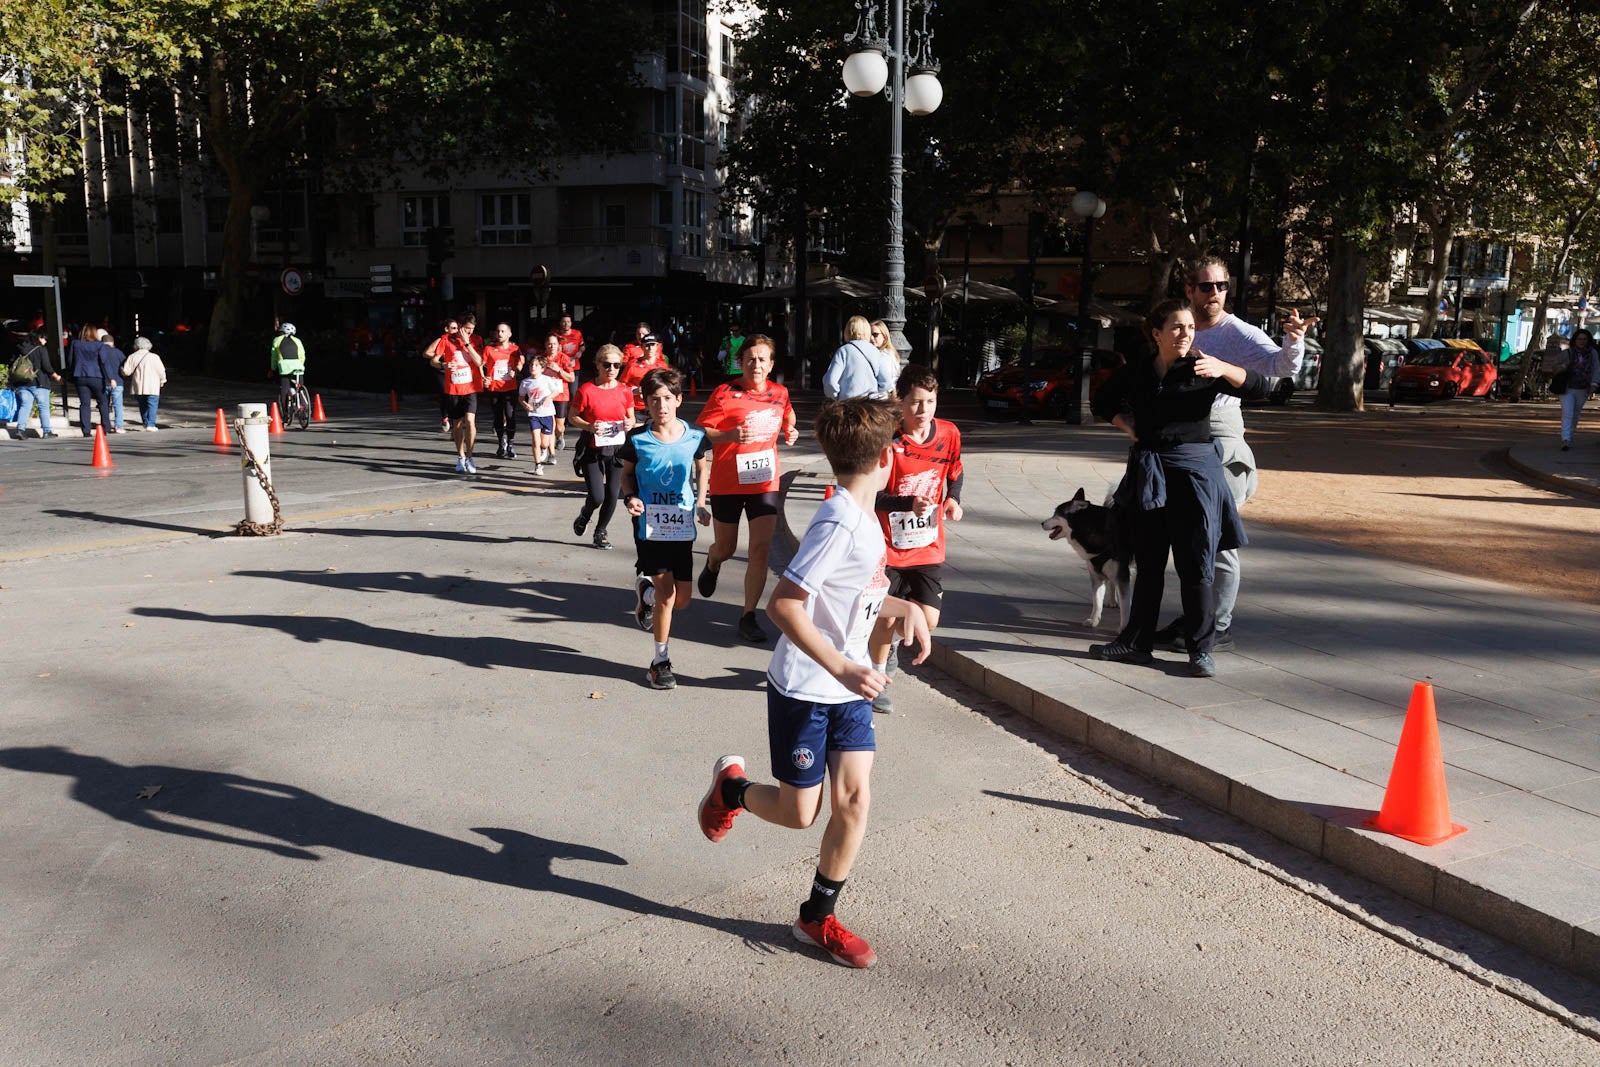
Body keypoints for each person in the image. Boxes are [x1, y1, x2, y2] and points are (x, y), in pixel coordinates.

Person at [696, 396, 931, 970]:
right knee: (802, 814)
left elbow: (852, 597)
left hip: (849, 687)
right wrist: (844, 666)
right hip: (808, 684)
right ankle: (731, 791)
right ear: (884, 457)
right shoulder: (838, 523)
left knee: (854, 802)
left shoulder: (861, 516)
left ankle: (815, 916)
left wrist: (905, 609)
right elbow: (786, 605)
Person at [1091, 298, 1272, 677]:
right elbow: (1103, 401)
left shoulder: (1203, 368)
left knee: (1196, 564)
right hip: (1151, 471)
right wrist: (1130, 428)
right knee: (1150, 561)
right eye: (1177, 327)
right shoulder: (1139, 370)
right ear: (1156, 333)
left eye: (1190, 327)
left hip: (1195, 474)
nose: (1186, 333)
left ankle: (1200, 650)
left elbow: (1261, 388)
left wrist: (1225, 368)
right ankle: (1136, 643)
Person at [1151, 256, 1314, 656]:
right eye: (1206, 287)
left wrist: (1294, 339)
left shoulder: (1238, 332)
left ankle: (1217, 625)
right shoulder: (1182, 327)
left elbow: (1281, 367)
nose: (1215, 294)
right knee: (1187, 536)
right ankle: (1197, 616)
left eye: (1222, 286)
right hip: (1183, 439)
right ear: (1189, 289)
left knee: (1217, 537)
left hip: (1222, 439)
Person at [867, 363, 964, 713]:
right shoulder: (887, 440)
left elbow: (955, 471)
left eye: (930, 401)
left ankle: (889, 648)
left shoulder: (949, 433)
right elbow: (872, 495)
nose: (923, 411)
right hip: (889, 546)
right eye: (915, 403)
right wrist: (908, 502)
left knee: (930, 619)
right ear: (900, 401)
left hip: (927, 544)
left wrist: (953, 499)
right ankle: (877, 678)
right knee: (886, 616)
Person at [695, 334, 799, 643]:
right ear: (741, 362)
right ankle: (713, 562)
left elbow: (788, 415)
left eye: (762, 359)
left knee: (760, 550)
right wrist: (730, 436)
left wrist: (791, 429)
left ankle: (748, 615)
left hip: (765, 481)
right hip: (728, 481)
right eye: (750, 358)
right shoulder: (725, 392)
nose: (756, 364)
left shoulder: (780, 393)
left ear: (771, 364)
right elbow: (708, 431)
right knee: (726, 548)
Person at [619, 368, 712, 689]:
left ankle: (644, 593)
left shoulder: (694, 436)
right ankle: (660, 661)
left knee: (682, 599)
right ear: (645, 402)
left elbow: (702, 466)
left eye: (668, 399)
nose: (662, 406)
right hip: (650, 526)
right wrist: (630, 497)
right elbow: (626, 475)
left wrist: (701, 501)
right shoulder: (637, 439)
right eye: (655, 400)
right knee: (668, 595)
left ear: (679, 400)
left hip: (682, 525)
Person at [569, 344, 634, 549]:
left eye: (616, 365)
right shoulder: (587, 390)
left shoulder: (624, 391)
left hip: (617, 449)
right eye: (606, 364)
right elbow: (572, 417)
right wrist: (589, 426)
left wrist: (629, 424)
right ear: (597, 364)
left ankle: (601, 531)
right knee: (597, 496)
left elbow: (630, 418)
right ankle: (586, 513)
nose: (611, 369)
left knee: (613, 494)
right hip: (592, 448)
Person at [427, 316, 484, 473]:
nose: (469, 332)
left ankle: (470, 456)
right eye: (466, 329)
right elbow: (433, 361)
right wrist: (443, 365)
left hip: (470, 387)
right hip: (453, 387)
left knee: (470, 421)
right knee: (457, 424)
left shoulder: (476, 339)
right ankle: (461, 457)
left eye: (472, 329)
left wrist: (467, 343)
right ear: (459, 326)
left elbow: (479, 362)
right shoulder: (446, 339)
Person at [1549, 328, 1600, 450]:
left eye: (1584, 339)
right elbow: (1554, 367)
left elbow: (1596, 369)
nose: (1582, 342)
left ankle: (1570, 436)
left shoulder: (1592, 353)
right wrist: (1563, 366)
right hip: (1567, 387)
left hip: (1583, 388)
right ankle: (1565, 439)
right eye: (1579, 339)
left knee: (1576, 414)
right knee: (1568, 413)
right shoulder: (1567, 353)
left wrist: (1594, 383)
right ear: (1575, 340)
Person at [823, 315, 895, 400]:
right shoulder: (876, 352)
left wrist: (835, 397)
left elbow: (830, 381)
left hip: (848, 404)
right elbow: (886, 383)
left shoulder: (843, 351)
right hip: (870, 405)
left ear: (848, 331)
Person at [480, 322, 524, 459]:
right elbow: (480, 365)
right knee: (498, 416)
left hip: (510, 388)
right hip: (495, 388)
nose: (500, 334)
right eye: (498, 331)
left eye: (503, 331)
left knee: (510, 416)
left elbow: (520, 362)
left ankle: (510, 444)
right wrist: (484, 379)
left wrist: (516, 371)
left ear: (509, 334)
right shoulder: (489, 349)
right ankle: (501, 443)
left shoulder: (515, 349)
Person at [10, 328, 63, 438]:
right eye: (44, 338)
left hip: (23, 383)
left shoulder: (20, 349)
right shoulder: (41, 350)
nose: (45, 341)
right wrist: (56, 377)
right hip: (39, 382)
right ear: (39, 338)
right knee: (43, 407)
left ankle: (21, 429)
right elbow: (47, 367)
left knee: (25, 406)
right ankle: (47, 431)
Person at [66, 325, 117, 437]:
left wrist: (71, 371)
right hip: (96, 376)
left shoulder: (76, 344)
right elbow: (104, 362)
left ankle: (86, 430)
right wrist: (111, 378)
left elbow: (70, 360)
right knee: (103, 402)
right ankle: (106, 427)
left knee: (84, 404)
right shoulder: (99, 345)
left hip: (80, 376)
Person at [517, 350, 559, 474]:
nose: (533, 367)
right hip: (534, 414)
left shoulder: (547, 380)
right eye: (531, 365)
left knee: (544, 442)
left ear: (542, 368)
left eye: (536, 365)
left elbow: (556, 391)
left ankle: (544, 449)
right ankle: (538, 465)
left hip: (547, 414)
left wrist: (548, 397)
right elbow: (521, 398)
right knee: (536, 440)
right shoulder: (525, 382)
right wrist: (525, 405)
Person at [424, 317, 464, 433]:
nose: (456, 330)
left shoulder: (460, 340)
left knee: (455, 395)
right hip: (442, 370)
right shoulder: (441, 340)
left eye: (457, 328)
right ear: (446, 329)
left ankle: (455, 420)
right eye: (453, 328)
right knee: (445, 393)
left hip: (455, 371)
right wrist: (441, 357)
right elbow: (426, 353)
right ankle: (445, 417)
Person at [120, 337, 168, 431]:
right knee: (152, 405)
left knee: (142, 405)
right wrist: (162, 381)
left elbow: (126, 372)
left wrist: (121, 369)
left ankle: (146, 423)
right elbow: (161, 371)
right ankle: (151, 424)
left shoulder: (132, 356)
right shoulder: (154, 357)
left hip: (138, 386)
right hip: (153, 386)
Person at [621, 333, 669, 423]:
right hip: (637, 408)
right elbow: (621, 386)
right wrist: (634, 391)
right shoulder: (632, 365)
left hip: (656, 406)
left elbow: (668, 387)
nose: (650, 348)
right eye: (647, 345)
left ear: (657, 346)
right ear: (642, 347)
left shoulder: (663, 366)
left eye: (653, 345)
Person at [544, 330, 577, 451]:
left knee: (559, 425)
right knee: (550, 424)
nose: (552, 346)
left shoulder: (564, 358)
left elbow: (572, 378)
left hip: (561, 395)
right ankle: (549, 448)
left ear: (558, 345)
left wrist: (559, 370)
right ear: (545, 345)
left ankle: (560, 435)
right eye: (549, 344)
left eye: (554, 344)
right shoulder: (541, 359)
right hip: (546, 395)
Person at [270, 323, 307, 422]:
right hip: (298, 367)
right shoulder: (298, 341)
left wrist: (273, 369)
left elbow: (274, 357)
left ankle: (286, 414)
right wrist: (300, 365)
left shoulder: (276, 340)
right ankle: (303, 406)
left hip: (284, 368)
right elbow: (302, 355)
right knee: (299, 387)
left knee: (284, 391)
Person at [102, 333, 128, 432]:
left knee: (104, 404)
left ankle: (106, 424)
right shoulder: (118, 352)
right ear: (112, 343)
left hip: (103, 382)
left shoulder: (100, 352)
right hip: (118, 382)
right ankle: (118, 426)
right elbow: (125, 365)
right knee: (118, 405)